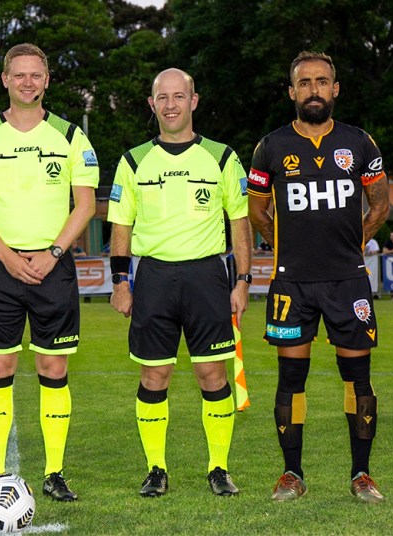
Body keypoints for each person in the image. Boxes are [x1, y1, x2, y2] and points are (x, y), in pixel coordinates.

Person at [0, 43, 99, 502]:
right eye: (19, 75)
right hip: (1, 267)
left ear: (47, 80)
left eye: (36, 75)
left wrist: (53, 252)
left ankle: (54, 473)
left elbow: (86, 204)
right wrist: (7, 256)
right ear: (5, 80)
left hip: (53, 267)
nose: (27, 82)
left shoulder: (71, 136)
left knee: (53, 366)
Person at [247, 51, 391, 503]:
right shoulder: (270, 147)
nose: (314, 89)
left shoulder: (360, 143)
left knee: (358, 379)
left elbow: (380, 205)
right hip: (291, 284)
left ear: (335, 89)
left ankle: (362, 475)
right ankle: (292, 474)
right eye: (305, 82)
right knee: (291, 379)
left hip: (348, 281)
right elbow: (257, 211)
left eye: (322, 81)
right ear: (292, 91)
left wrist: (353, 244)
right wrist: (287, 246)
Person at [107, 68, 251, 498]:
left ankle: (219, 468)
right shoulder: (134, 160)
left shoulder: (222, 157)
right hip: (153, 276)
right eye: (162, 98)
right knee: (155, 375)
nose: (171, 105)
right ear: (152, 104)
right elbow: (120, 225)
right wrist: (120, 281)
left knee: (212, 373)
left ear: (194, 101)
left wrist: (243, 280)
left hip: (207, 276)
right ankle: (156, 469)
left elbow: (239, 221)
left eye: (179, 96)